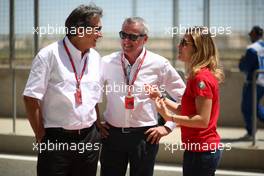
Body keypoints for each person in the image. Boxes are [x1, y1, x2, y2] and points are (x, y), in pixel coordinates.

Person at [97, 17, 185, 176]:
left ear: (145, 39)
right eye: (123, 34)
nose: (126, 40)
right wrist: (96, 122)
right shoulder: (106, 62)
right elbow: (91, 94)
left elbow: (184, 98)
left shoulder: (159, 64)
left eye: (132, 36)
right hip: (112, 136)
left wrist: (168, 127)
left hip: (145, 137)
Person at [23, 4, 103, 176]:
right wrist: (41, 136)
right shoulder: (48, 55)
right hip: (56, 140)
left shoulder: (96, 58)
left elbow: (94, 97)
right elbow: (30, 98)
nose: (100, 34)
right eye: (97, 29)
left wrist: (97, 126)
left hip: (89, 139)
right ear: (80, 30)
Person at [147, 26, 224, 176]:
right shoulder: (197, 76)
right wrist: (160, 98)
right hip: (197, 150)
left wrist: (169, 117)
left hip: (202, 152)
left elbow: (202, 120)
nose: (179, 46)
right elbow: (186, 110)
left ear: (198, 49)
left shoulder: (201, 78)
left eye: (184, 43)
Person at [239, 26, 264, 139]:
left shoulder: (252, 49)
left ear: (254, 34)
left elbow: (245, 67)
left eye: (251, 34)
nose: (250, 36)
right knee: (256, 107)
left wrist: (242, 61)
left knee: (246, 108)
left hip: (253, 82)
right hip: (261, 82)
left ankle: (251, 132)